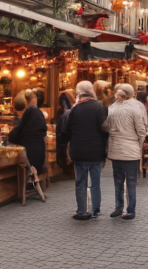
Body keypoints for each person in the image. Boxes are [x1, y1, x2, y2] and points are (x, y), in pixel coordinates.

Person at [61, 81, 108, 220]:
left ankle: (82, 211)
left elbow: (66, 130)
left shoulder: (75, 109)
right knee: (95, 183)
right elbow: (104, 129)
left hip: (79, 151)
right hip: (95, 151)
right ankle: (96, 210)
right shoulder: (99, 107)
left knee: (80, 183)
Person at [104, 84, 148, 220]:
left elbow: (107, 127)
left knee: (118, 181)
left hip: (115, 149)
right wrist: (138, 144)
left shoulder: (112, 107)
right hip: (131, 150)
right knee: (131, 182)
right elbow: (141, 130)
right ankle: (130, 210)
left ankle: (118, 207)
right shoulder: (137, 107)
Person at [9, 89, 47, 199]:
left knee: (17, 161)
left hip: (30, 155)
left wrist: (12, 137)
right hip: (39, 154)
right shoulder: (37, 113)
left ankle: (18, 187)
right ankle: (31, 182)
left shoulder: (29, 112)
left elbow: (19, 129)